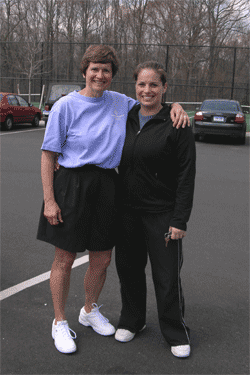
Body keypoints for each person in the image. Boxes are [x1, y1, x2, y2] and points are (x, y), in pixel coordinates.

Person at [37, 45, 189, 354]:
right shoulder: (65, 106)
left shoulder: (122, 103)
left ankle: (89, 310)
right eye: (95, 68)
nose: (100, 74)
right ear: (84, 71)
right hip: (71, 184)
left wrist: (176, 106)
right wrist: (49, 200)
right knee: (64, 259)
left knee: (102, 258)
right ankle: (60, 321)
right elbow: (48, 154)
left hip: (108, 184)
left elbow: (153, 102)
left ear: (112, 76)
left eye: (106, 70)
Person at [114, 61, 196, 358]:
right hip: (126, 212)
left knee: (166, 276)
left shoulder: (177, 123)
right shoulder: (125, 115)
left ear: (164, 88)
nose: (147, 90)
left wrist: (179, 219)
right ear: (134, 87)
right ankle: (132, 321)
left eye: (153, 85)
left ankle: (175, 332)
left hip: (162, 213)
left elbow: (187, 175)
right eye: (141, 84)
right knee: (129, 271)